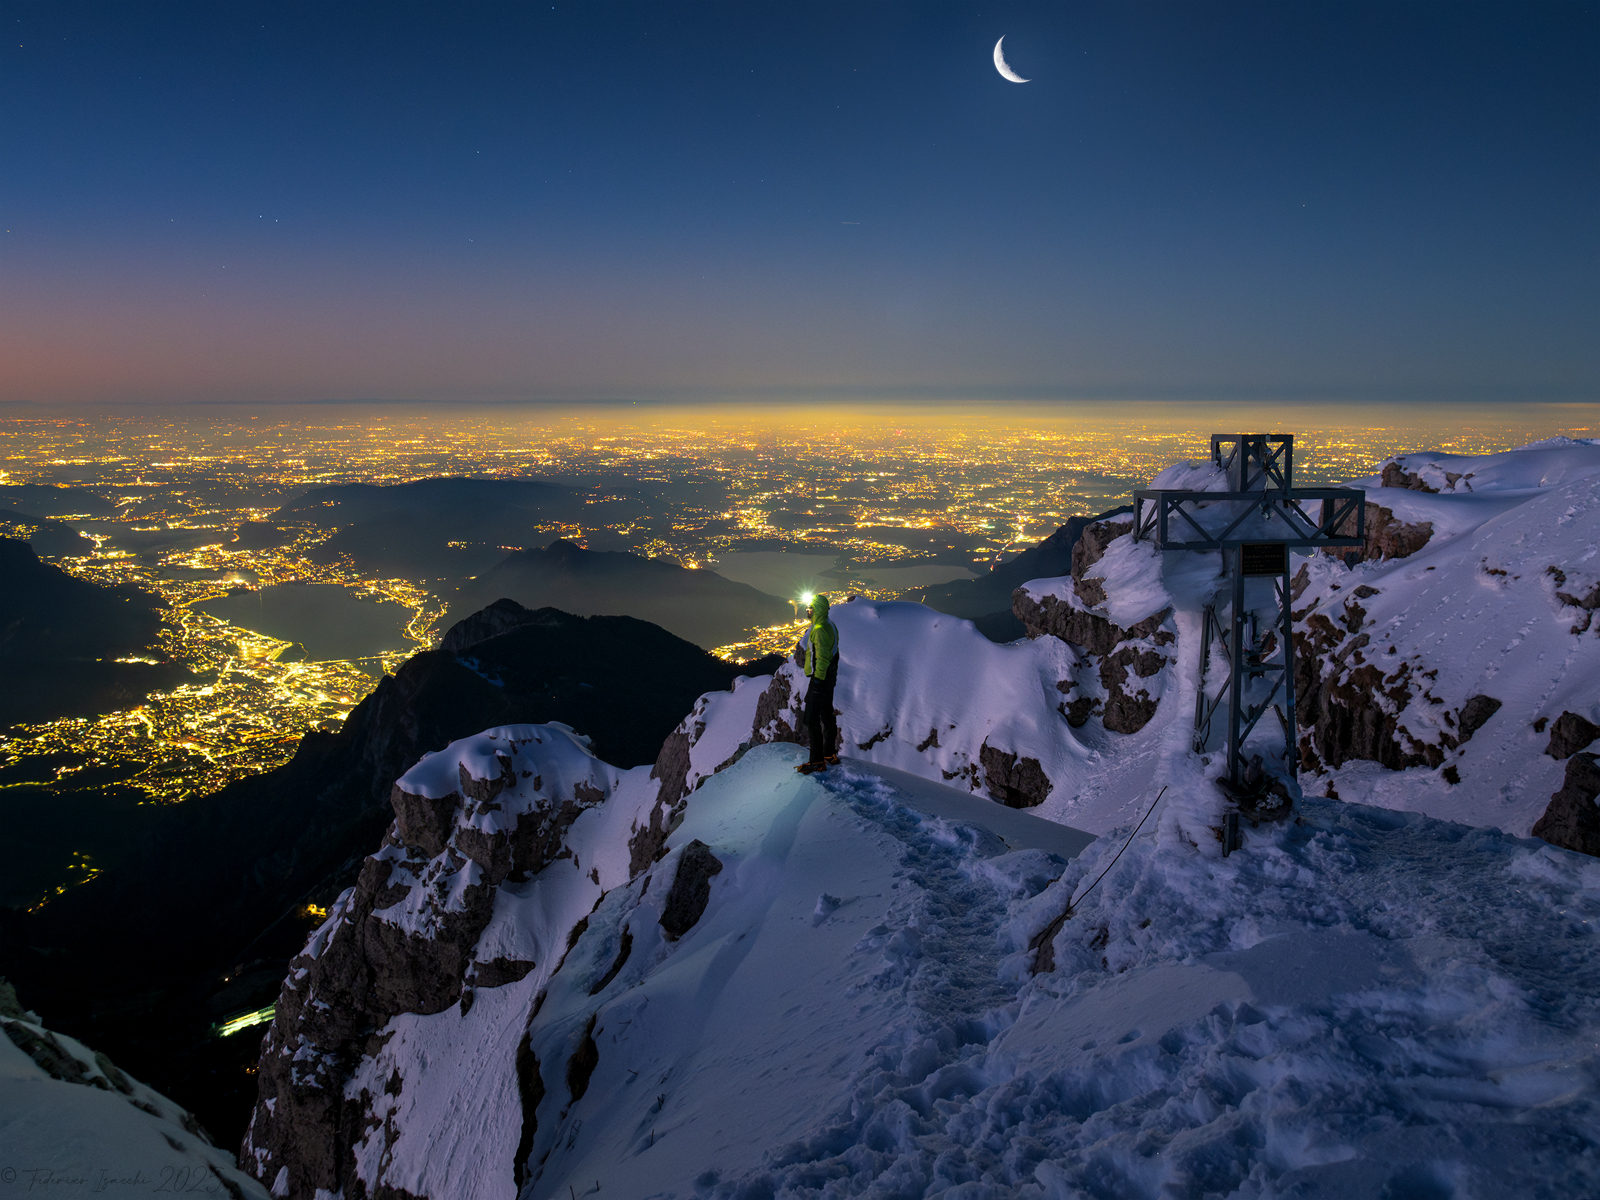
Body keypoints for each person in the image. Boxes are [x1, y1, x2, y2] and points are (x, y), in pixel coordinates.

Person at [796, 593, 840, 774]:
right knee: (826, 714)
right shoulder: (830, 625)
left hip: (820, 680)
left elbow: (821, 659)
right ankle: (829, 754)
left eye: (810, 608)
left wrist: (816, 683)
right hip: (828, 680)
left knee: (811, 719)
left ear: (818, 609)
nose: (808, 610)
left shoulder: (820, 629)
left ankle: (816, 762)